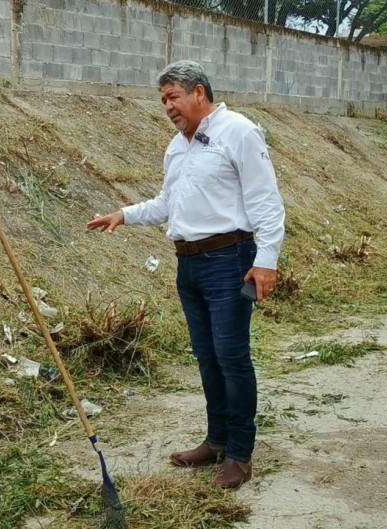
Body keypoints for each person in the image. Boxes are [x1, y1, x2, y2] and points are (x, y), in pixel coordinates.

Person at [87, 61, 285, 489]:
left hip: (230, 258)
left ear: (200, 93)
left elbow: (267, 202)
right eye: (163, 100)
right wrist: (124, 214)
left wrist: (266, 259)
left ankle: (239, 455)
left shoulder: (239, 132)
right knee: (207, 356)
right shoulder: (177, 146)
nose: (168, 107)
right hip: (189, 264)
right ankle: (215, 441)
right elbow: (167, 203)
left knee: (232, 358)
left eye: (173, 97)